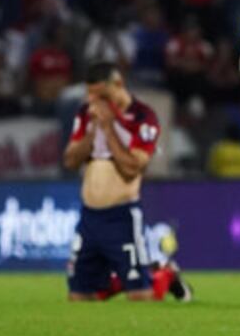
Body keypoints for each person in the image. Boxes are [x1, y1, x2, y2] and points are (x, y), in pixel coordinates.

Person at [63, 62, 188, 302]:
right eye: (89, 94)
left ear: (118, 85)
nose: (93, 100)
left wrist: (108, 127)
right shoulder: (86, 114)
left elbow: (133, 168)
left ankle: (164, 275)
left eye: (100, 95)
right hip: (89, 217)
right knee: (79, 296)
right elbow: (70, 161)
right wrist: (93, 130)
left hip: (121, 217)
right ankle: (135, 276)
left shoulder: (143, 117)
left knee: (140, 295)